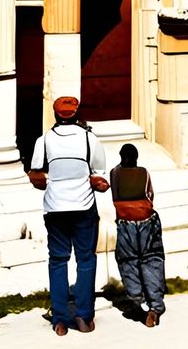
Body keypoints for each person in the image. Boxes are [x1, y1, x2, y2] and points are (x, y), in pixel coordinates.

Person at [28, 95, 107, 336]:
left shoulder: (44, 140)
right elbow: (99, 175)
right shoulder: (89, 138)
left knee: (58, 260)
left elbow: (36, 175)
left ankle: (60, 320)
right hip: (83, 206)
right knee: (85, 260)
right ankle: (83, 317)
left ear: (55, 115)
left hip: (55, 207)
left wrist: (53, 185)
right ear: (76, 113)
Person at [109, 143, 165, 327]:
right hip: (146, 220)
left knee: (128, 261)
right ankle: (155, 307)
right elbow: (150, 195)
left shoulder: (115, 173)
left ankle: (135, 297)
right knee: (151, 260)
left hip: (125, 222)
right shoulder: (144, 172)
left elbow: (114, 194)